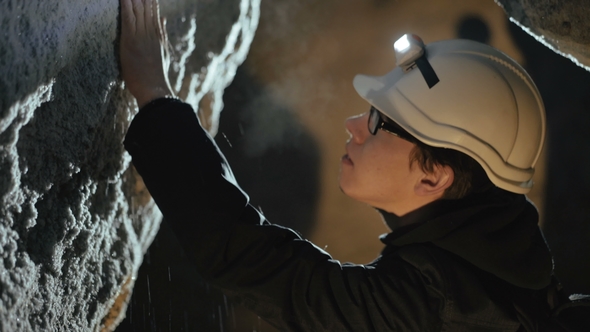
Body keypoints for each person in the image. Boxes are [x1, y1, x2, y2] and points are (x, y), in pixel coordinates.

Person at [120, 0, 585, 330]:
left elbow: (248, 259)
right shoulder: (514, 290)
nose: (353, 124)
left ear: (433, 176)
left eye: (380, 122)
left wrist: (154, 95)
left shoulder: (429, 311)